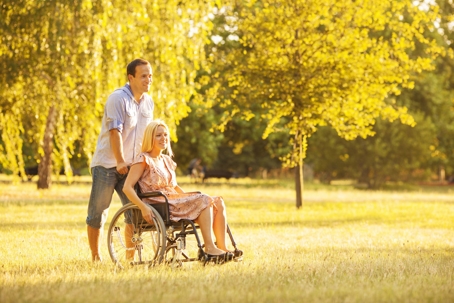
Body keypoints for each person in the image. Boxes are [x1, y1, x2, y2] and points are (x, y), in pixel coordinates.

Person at [123, 120, 234, 262]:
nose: (163, 138)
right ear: (150, 138)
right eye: (158, 135)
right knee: (204, 199)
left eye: (165, 135)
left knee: (218, 202)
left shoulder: (166, 160)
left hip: (173, 199)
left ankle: (222, 248)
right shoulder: (143, 159)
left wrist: (190, 197)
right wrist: (143, 207)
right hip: (159, 204)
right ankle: (209, 248)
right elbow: (127, 187)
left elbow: (175, 187)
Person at [86, 58, 154, 262]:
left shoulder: (148, 102)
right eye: (143, 76)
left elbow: (147, 135)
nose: (148, 80)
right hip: (107, 164)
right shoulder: (118, 99)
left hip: (131, 166)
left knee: (134, 212)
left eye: (150, 76)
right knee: (98, 213)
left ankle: (129, 259)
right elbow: (115, 132)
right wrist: (120, 160)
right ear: (130, 77)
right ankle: (96, 257)